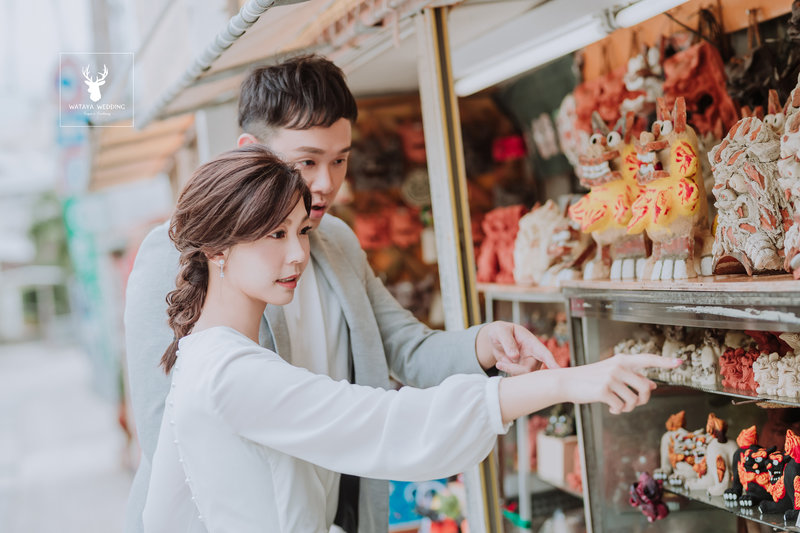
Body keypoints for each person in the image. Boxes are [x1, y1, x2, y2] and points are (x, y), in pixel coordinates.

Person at [124, 55, 559, 533]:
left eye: (340, 160)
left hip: (333, 509)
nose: (325, 184)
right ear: (250, 149)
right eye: (307, 161)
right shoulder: (177, 250)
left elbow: (406, 347)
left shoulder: (338, 242)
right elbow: (163, 424)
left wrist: (487, 342)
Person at [141, 145, 678, 533]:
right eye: (273, 235)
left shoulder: (205, 354)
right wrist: (567, 382)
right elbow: (390, 424)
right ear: (217, 249)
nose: (297, 254)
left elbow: (163, 513)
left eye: (301, 230)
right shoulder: (228, 371)